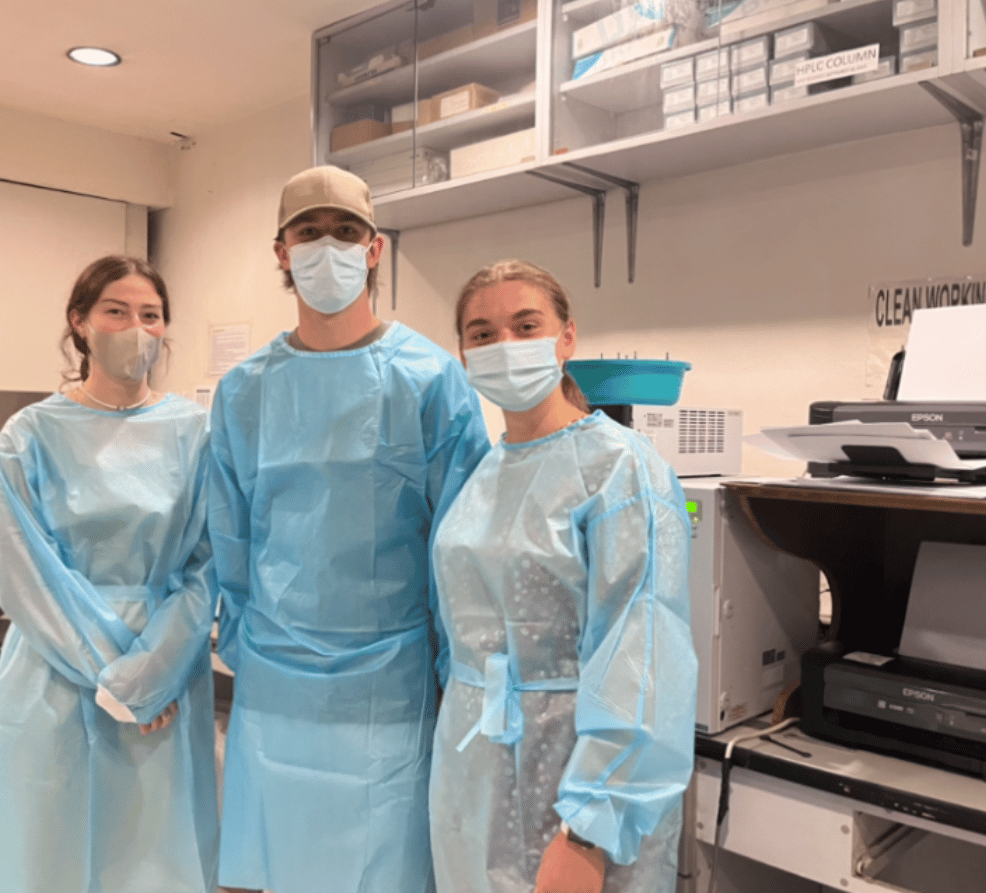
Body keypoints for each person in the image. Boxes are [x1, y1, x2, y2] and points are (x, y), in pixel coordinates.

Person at [208, 166, 490, 893]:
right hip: (274, 677)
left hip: (390, 681)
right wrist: (241, 637)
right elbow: (230, 534)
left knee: (384, 866)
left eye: (345, 232)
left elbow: (461, 544)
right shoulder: (246, 389)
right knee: (280, 862)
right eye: (309, 233)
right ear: (281, 252)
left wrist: (452, 667)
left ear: (374, 249)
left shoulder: (429, 378)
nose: (326, 247)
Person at [429, 260, 697, 893]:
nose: (506, 346)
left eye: (526, 325)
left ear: (567, 337)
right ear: (465, 354)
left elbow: (643, 657)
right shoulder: (483, 474)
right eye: (483, 333)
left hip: (579, 781)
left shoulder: (622, 471)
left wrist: (588, 829)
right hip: (472, 774)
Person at [0, 255, 219, 893]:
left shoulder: (194, 430)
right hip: (58, 659)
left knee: (152, 850)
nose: (136, 327)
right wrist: (113, 671)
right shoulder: (33, 433)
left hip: (164, 661)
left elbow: (208, 562)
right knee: (49, 847)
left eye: (150, 315)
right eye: (116, 311)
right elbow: (20, 567)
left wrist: (151, 671)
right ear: (80, 323)